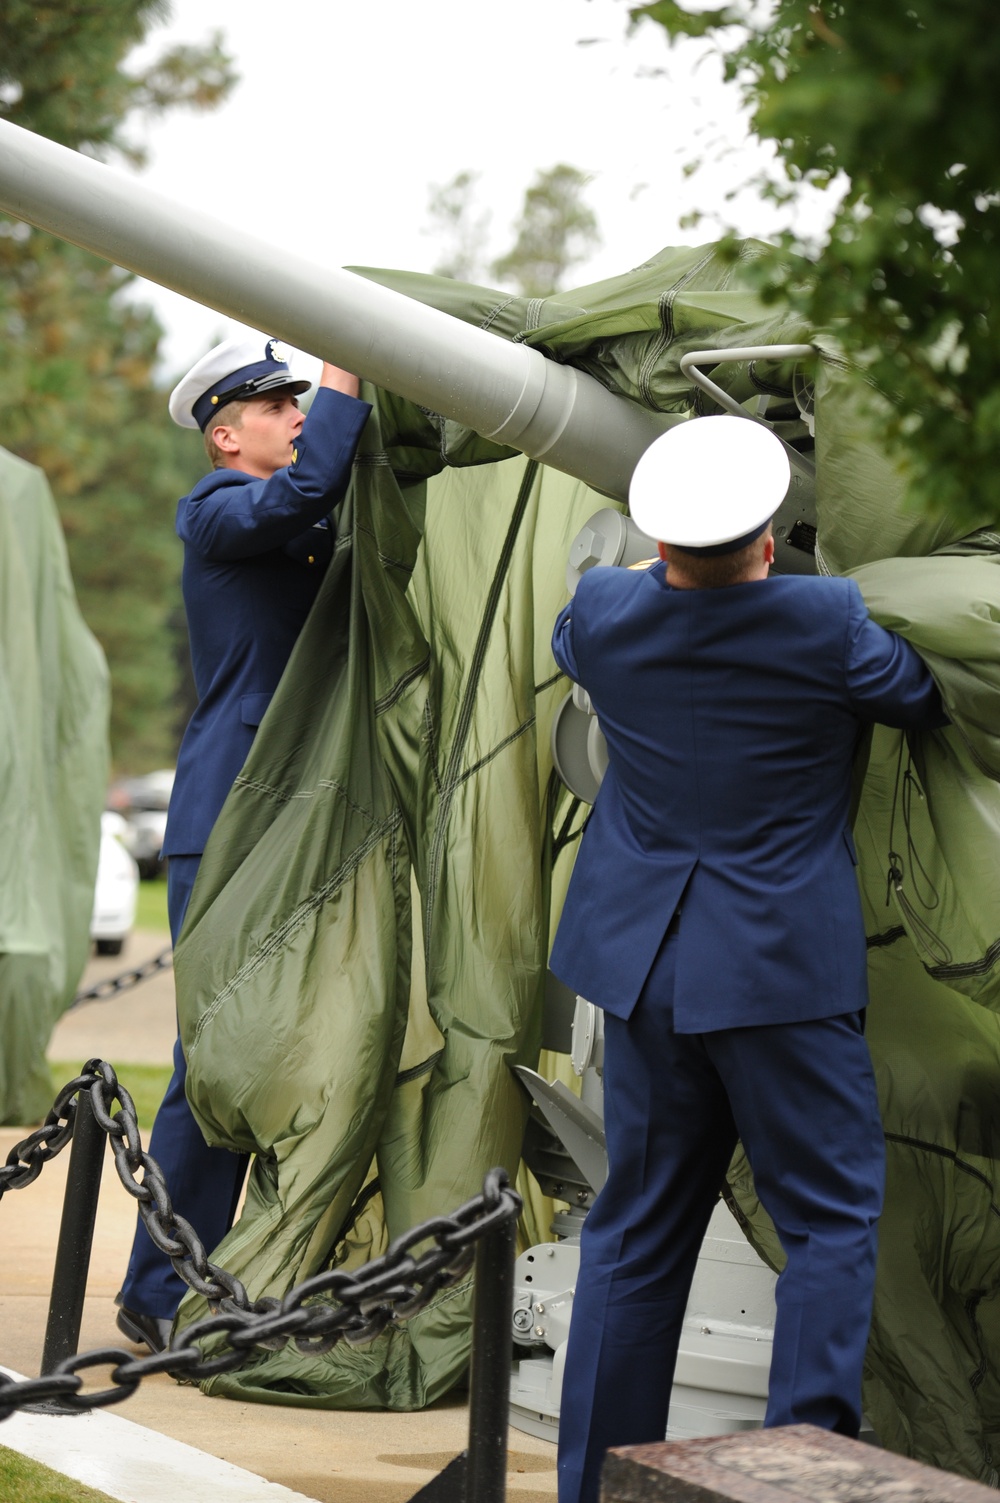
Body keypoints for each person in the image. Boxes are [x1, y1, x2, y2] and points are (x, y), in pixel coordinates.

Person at [549, 416, 949, 1503]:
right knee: (827, 1221)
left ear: (660, 538)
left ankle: (589, 1485)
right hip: (777, 973)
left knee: (633, 1234)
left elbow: (572, 637)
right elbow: (915, 695)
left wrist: (655, 569)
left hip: (641, 968)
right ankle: (796, 1477)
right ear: (771, 536)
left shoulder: (604, 610)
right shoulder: (824, 619)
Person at [115, 335, 371, 1352]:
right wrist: (351, 372)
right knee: (212, 1057)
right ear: (226, 434)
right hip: (230, 820)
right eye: (277, 406)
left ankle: (243, 1271)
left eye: (304, 398)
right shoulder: (218, 509)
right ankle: (158, 1289)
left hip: (301, 814)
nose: (297, 414)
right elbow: (297, 495)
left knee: (281, 1049)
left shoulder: (300, 518)